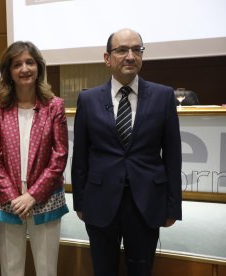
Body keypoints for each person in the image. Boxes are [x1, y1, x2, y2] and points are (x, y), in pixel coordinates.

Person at [71, 28, 182, 276]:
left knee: (141, 269)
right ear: (107, 58)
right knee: (104, 269)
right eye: (121, 50)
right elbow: (80, 157)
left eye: (136, 49)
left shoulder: (163, 96)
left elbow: (173, 156)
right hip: (99, 202)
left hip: (147, 201)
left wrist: (173, 206)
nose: (130, 56)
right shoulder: (88, 100)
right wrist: (80, 201)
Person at [0, 41, 69, 276]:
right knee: (11, 269)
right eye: (17, 64)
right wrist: (15, 198)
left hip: (45, 199)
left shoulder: (54, 106)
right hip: (8, 200)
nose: (25, 69)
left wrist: (33, 195)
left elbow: (60, 155)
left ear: (38, 67)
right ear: (8, 71)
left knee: (46, 269)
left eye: (30, 62)